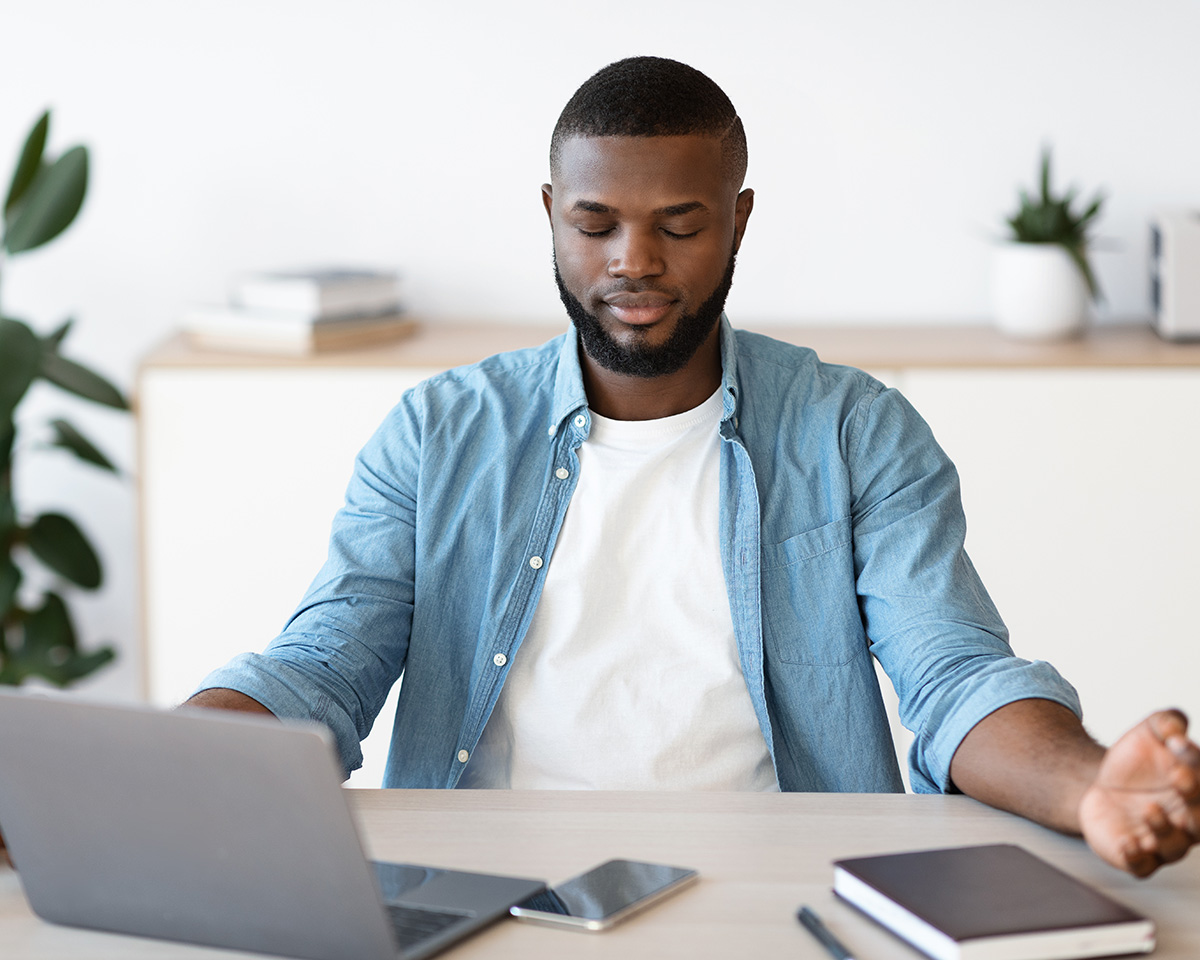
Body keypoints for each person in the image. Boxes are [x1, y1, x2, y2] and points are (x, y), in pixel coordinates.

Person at [182, 57, 1199, 879]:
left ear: (739, 217)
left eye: (679, 225)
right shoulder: (439, 431)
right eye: (595, 225)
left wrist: (1088, 786)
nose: (633, 260)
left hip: (777, 888)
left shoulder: (856, 431)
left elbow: (955, 676)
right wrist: (154, 773)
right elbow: (322, 668)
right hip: (486, 893)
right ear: (548, 211)